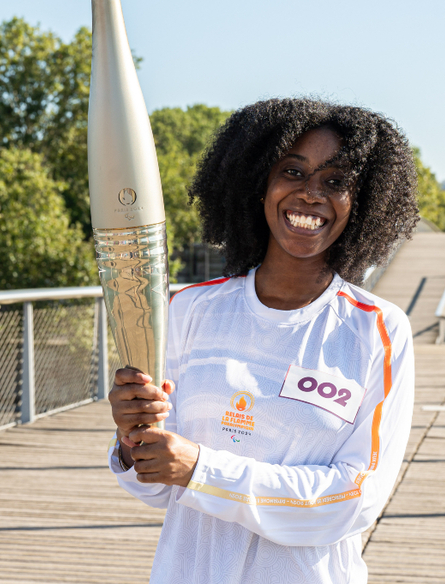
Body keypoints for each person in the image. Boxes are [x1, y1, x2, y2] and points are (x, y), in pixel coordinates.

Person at [107, 98, 418, 584]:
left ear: (361, 203)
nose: (312, 194)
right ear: (258, 184)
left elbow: (356, 498)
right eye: (293, 172)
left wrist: (202, 471)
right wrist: (132, 439)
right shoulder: (190, 309)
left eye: (336, 182)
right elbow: (158, 484)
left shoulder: (378, 329)